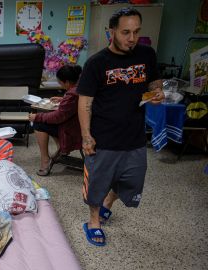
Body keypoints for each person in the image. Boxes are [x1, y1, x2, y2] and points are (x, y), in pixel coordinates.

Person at [76, 7, 164, 246]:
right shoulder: (96, 63)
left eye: (136, 32)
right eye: (125, 32)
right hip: (103, 136)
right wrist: (86, 136)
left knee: (133, 182)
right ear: (111, 31)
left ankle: (108, 203)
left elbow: (155, 81)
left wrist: (157, 91)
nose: (132, 38)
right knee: (97, 182)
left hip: (134, 136)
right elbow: (84, 102)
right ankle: (94, 221)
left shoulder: (147, 55)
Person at [28, 64, 82, 176]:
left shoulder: (72, 95)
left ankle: (45, 159)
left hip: (74, 132)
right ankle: (61, 150)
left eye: (60, 83)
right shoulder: (82, 87)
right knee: (46, 121)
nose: (60, 85)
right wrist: (63, 100)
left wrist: (37, 116)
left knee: (39, 124)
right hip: (79, 126)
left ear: (67, 82)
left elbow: (58, 117)